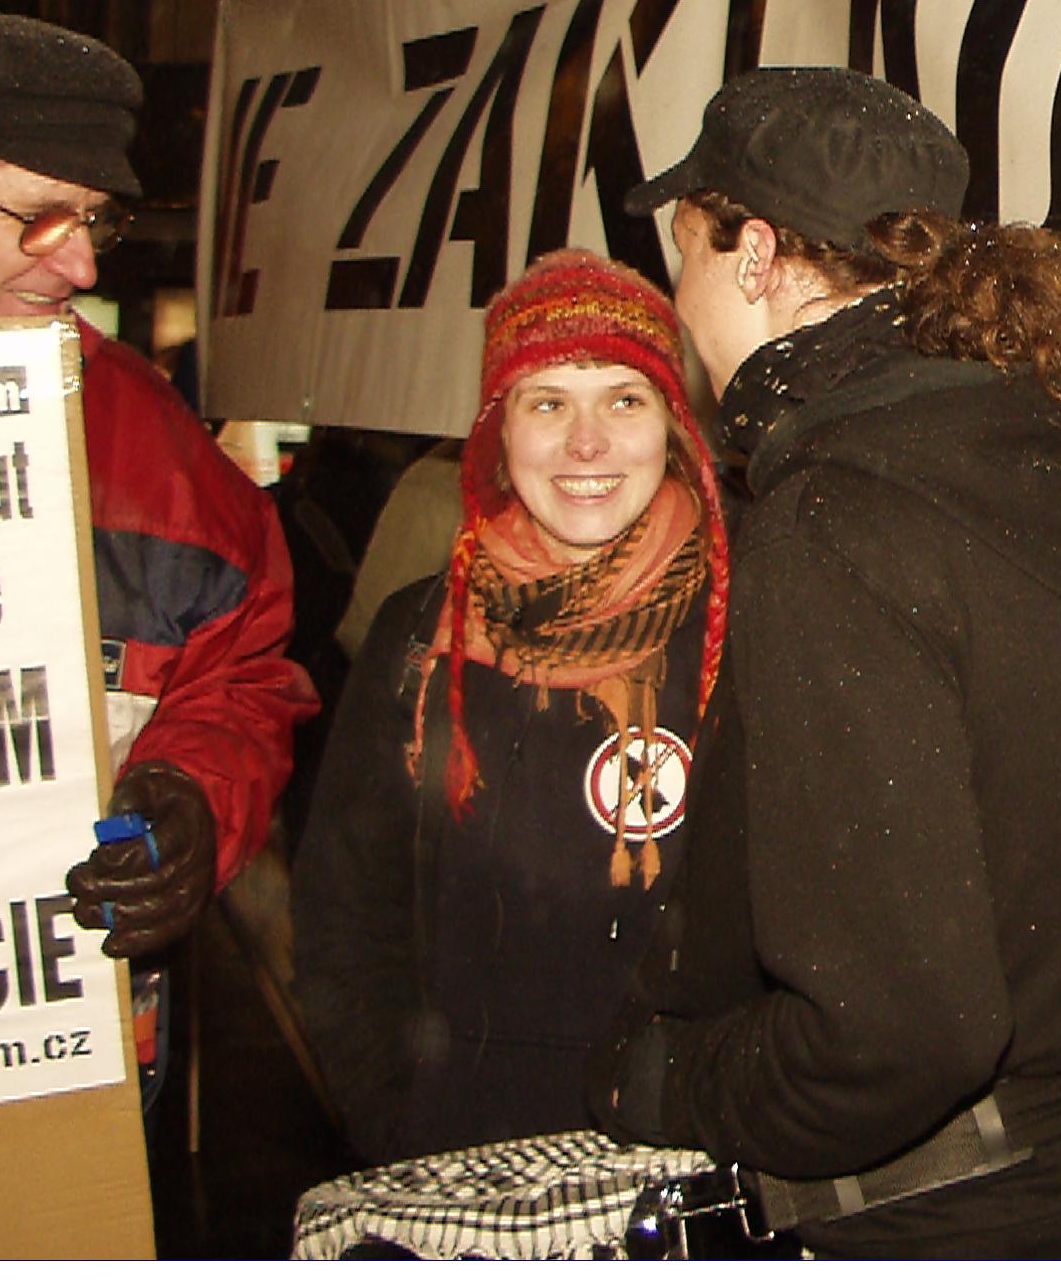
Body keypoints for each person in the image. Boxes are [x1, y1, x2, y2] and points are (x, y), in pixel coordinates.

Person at [589, 66, 1061, 1258]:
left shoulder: (836, 519)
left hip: (941, 1219)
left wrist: (679, 1080)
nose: (675, 294)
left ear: (756, 256)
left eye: (687, 250)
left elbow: (903, 1030)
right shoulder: (999, 457)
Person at [0, 11, 312, 1099]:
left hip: (55, 1054)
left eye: (95, 222)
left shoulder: (152, 440)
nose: (80, 262)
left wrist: (191, 796)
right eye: (40, 218)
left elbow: (241, 675)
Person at [290, 250, 731, 1164]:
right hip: (461, 1156)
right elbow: (344, 914)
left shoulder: (745, 623)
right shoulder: (420, 637)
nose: (586, 443)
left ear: (674, 423)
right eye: (548, 403)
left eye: (624, 399)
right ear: (498, 429)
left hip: (691, 1159)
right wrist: (398, 1123)